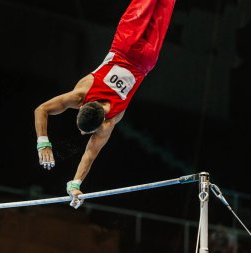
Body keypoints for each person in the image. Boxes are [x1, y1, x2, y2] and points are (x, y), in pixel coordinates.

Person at [34, 0, 176, 209]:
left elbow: (89, 155)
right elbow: (41, 109)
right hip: (124, 45)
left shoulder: (109, 122)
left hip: (146, 61)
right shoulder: (82, 92)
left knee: (165, 5)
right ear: (82, 108)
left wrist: (75, 184)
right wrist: (43, 143)